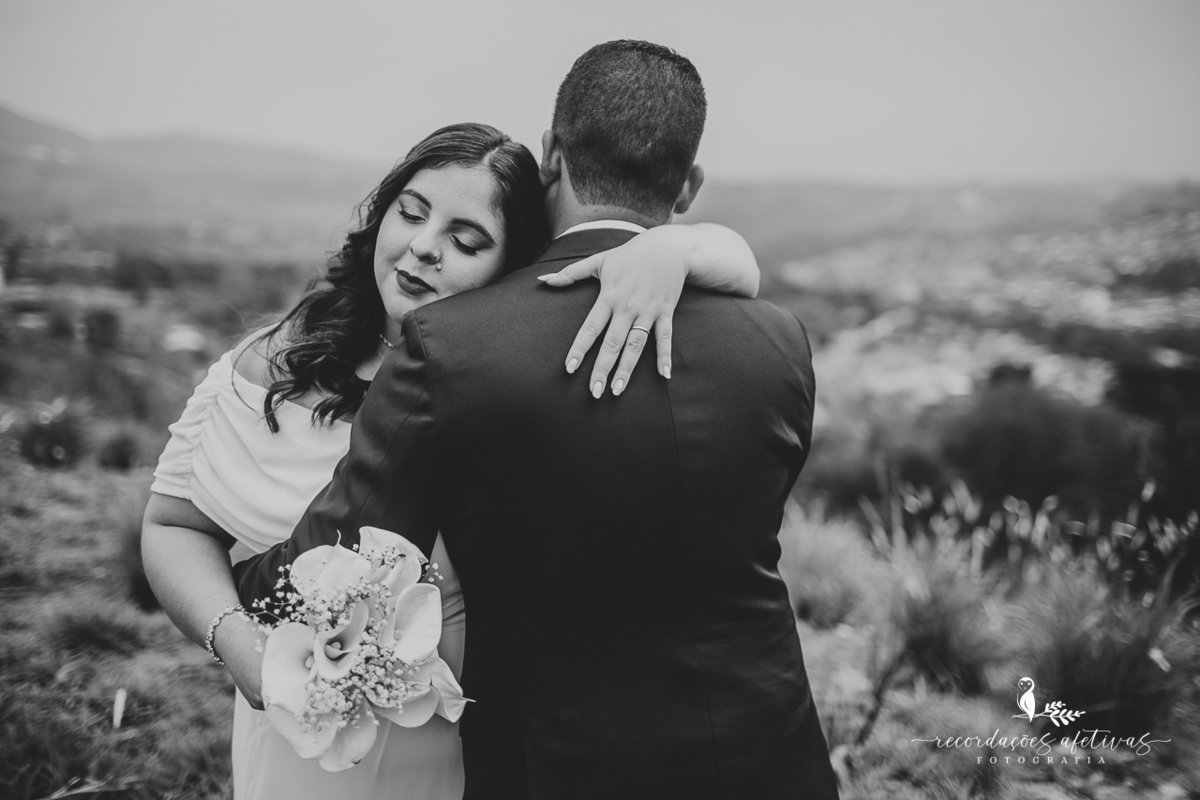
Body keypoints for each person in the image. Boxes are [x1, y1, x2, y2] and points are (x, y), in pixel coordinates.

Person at [231, 40, 840, 800]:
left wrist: (224, 568)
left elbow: (340, 560)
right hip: (772, 759)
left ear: (551, 154)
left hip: (556, 769)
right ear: (687, 189)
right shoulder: (780, 342)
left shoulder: (453, 345)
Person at [143, 121, 763, 800]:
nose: (423, 248)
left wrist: (670, 250)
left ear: (512, 268)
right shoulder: (272, 361)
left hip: (452, 759)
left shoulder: (516, 388)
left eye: (467, 242)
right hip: (288, 752)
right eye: (410, 214)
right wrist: (237, 644)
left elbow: (735, 262)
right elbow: (173, 526)